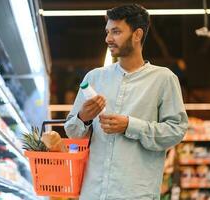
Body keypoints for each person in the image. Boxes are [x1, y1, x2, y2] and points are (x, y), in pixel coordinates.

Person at [64, 4, 188, 200]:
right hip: (93, 193)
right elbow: (72, 131)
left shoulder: (163, 79)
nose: (108, 39)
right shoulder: (94, 78)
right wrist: (83, 118)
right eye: (107, 32)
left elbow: (176, 131)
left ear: (137, 35)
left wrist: (131, 125)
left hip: (136, 194)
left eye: (116, 32)